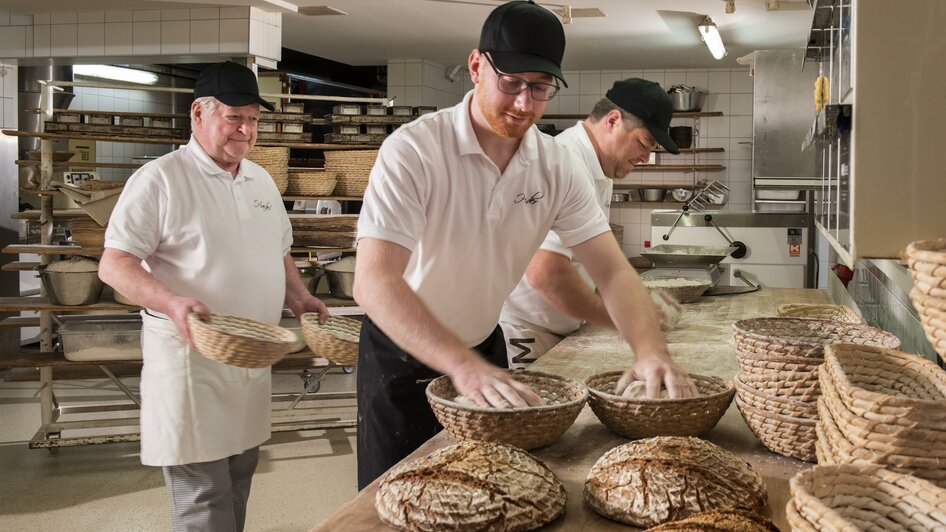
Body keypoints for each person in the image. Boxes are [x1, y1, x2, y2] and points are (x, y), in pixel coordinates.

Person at [353, 0, 697, 489]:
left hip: (484, 348)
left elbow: (613, 271)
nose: (522, 104)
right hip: (402, 360)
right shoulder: (415, 152)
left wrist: (649, 348)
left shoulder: (554, 164)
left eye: (540, 89)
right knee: (396, 502)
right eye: (510, 83)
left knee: (486, 494)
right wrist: (462, 368)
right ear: (476, 66)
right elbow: (374, 281)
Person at [98, 61, 329, 532]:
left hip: (248, 357)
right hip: (190, 361)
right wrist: (172, 301)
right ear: (198, 115)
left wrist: (299, 297)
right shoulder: (161, 179)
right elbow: (114, 263)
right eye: (233, 117)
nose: (245, 130)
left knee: (240, 476)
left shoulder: (260, 181)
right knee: (203, 494)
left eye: (254, 119)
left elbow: (277, 250)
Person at [501, 78, 681, 365]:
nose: (647, 158)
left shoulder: (601, 167)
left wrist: (636, 300)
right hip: (524, 330)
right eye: (645, 143)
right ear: (613, 121)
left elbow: (594, 262)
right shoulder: (561, 164)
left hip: (561, 327)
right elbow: (546, 273)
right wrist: (625, 320)